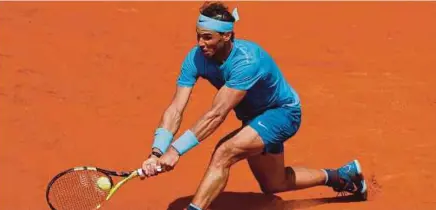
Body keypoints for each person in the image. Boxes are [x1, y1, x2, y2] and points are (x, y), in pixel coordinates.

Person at [141, 2, 367, 210]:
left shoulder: (247, 61)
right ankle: (341, 176)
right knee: (275, 183)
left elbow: (217, 114)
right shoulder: (196, 57)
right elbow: (175, 108)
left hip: (283, 114)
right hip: (255, 119)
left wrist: (175, 150)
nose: (200, 44)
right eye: (198, 36)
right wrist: (157, 150)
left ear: (227, 35)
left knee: (224, 152)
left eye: (208, 38)